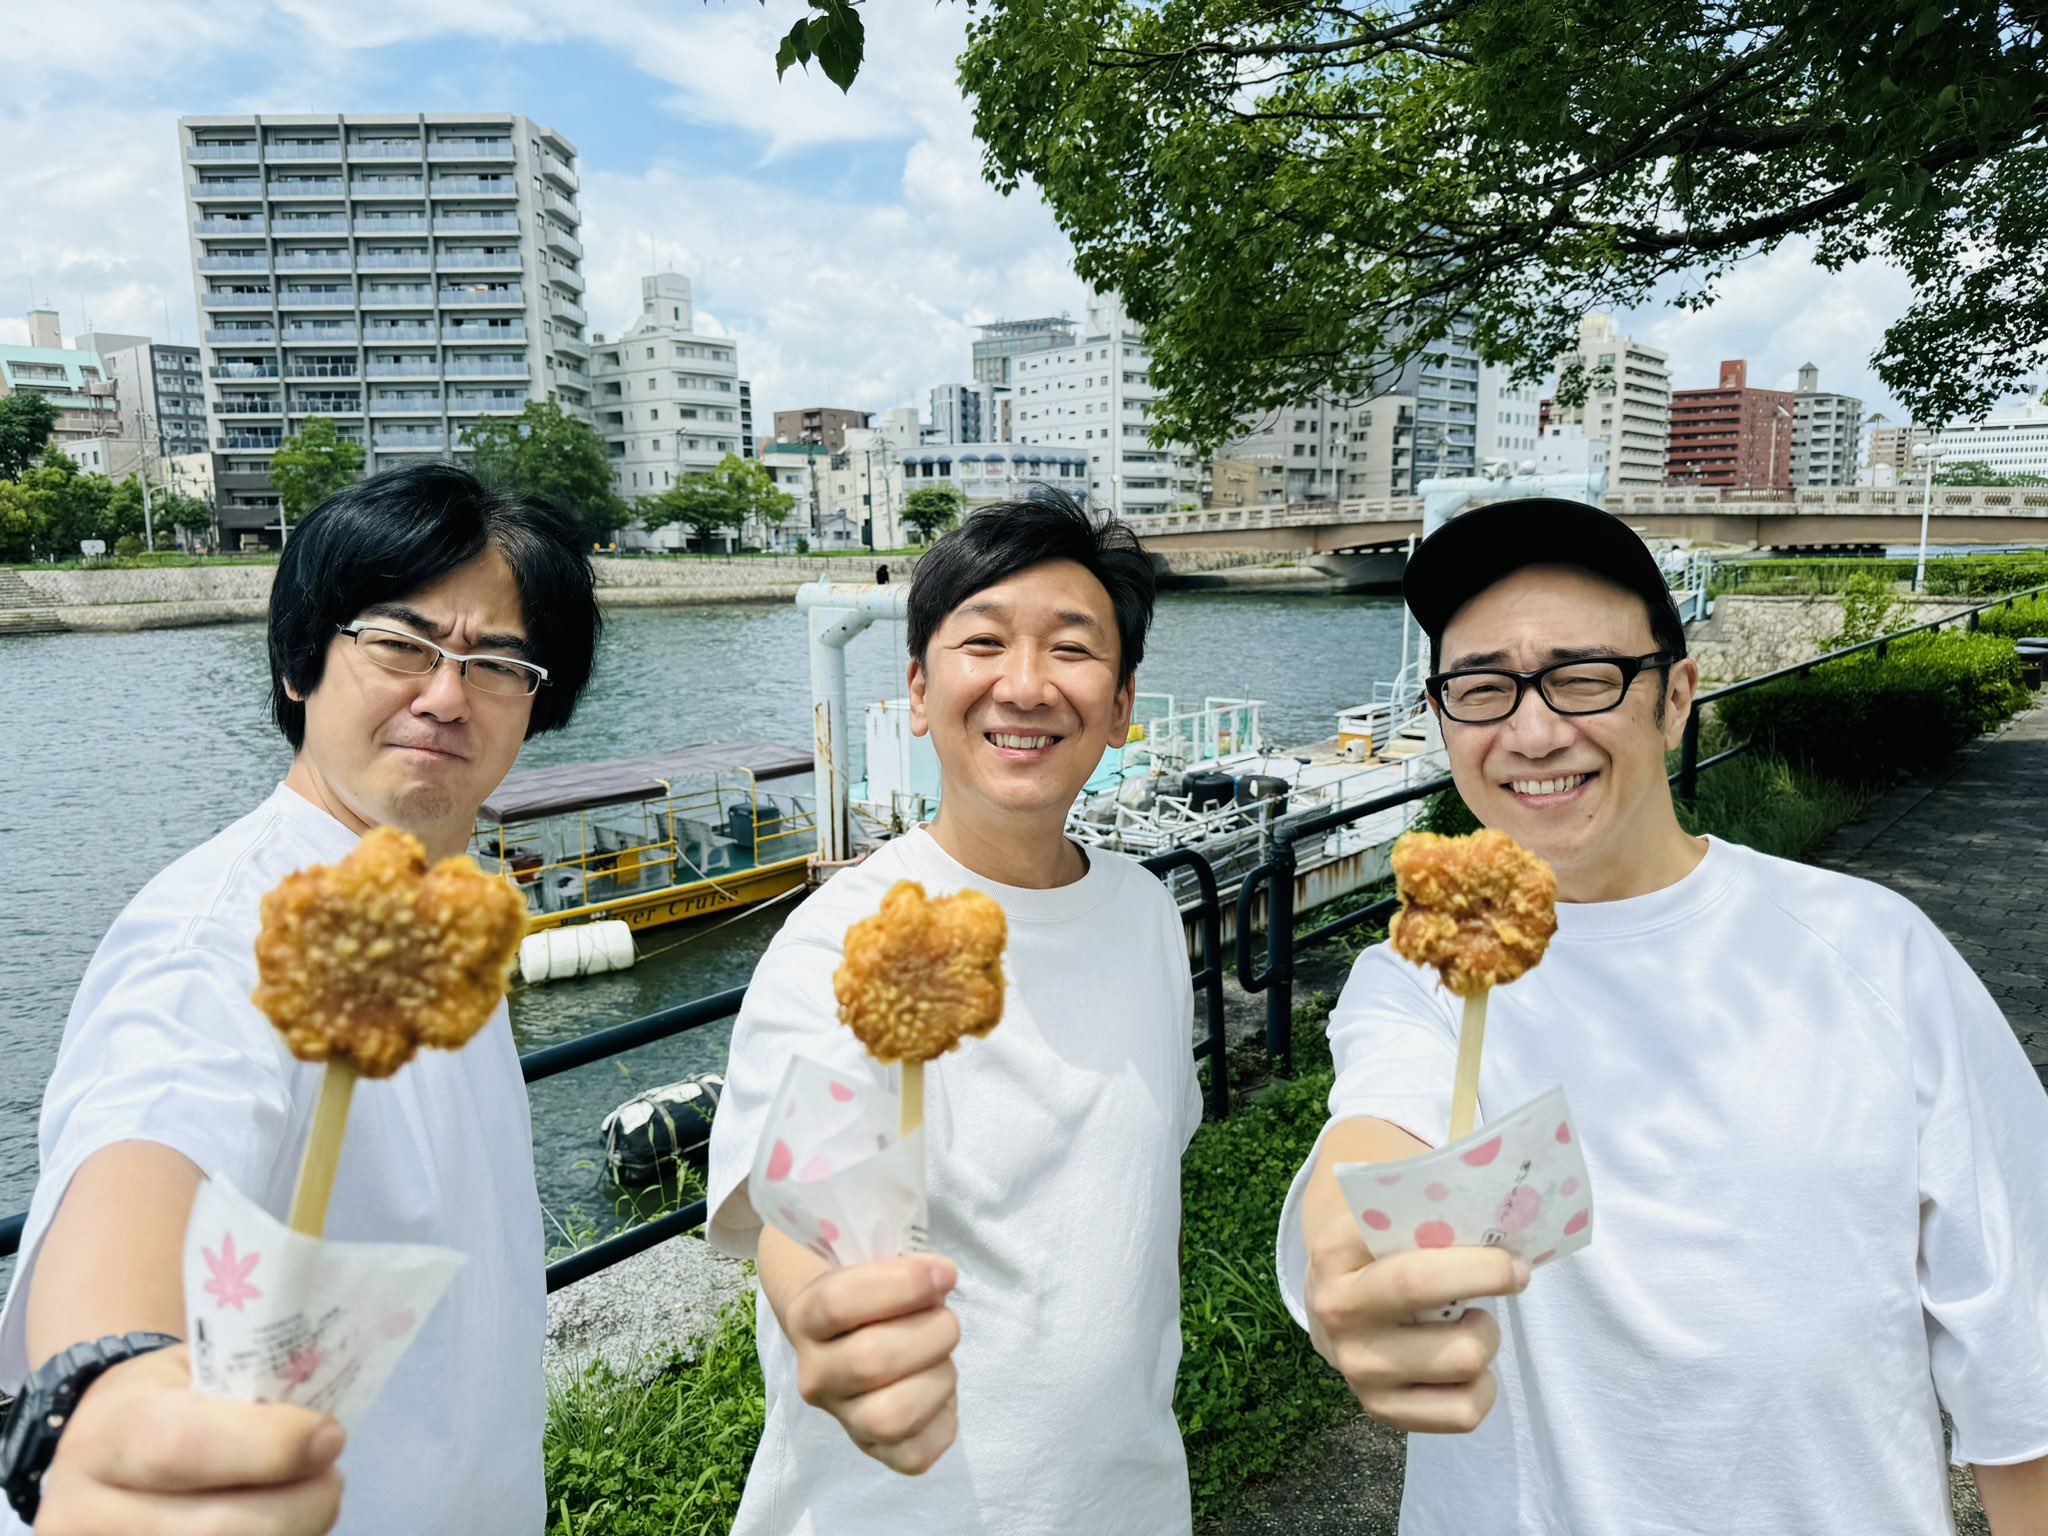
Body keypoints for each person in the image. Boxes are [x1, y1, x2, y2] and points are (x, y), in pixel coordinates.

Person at [1280, 497, 2048, 1533]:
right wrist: (1347, 1265)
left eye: (1583, 676)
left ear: (1675, 696)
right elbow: (1371, 1134)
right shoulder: (1423, 976)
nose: (1532, 728)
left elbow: (2018, 1359)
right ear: (1439, 716)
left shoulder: (1872, 952)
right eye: (1480, 687)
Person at [0, 464, 603, 1535]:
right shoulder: (221, 935)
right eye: (398, 643)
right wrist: (110, 1392)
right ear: (300, 662)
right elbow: (143, 1148)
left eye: (496, 661)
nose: (445, 693)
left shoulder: (442, 912)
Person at [705, 489, 1204, 1535]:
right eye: (982, 643)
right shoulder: (843, 945)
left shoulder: (1147, 914)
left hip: (1126, 1502)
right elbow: (805, 1218)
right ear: (920, 691)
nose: (1024, 685)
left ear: (1118, 706)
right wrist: (829, 1325)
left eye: (1071, 649)